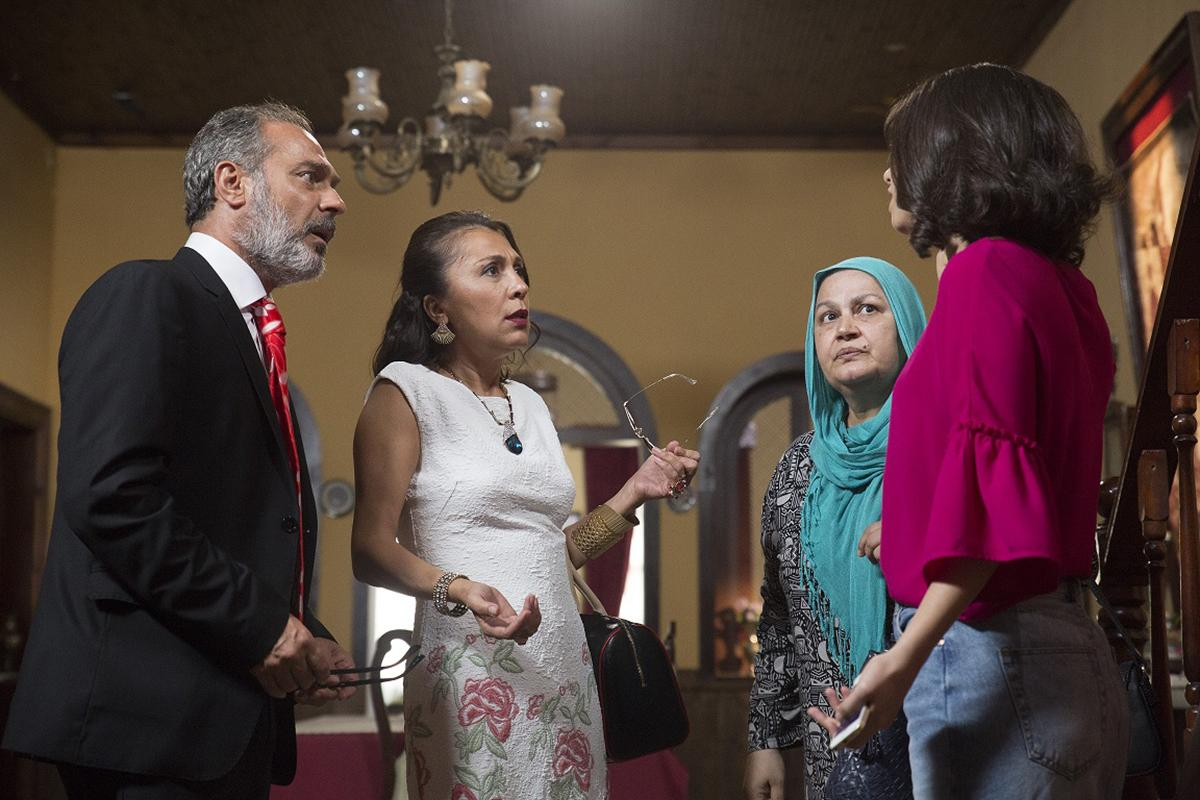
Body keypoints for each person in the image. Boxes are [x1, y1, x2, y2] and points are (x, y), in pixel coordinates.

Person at [2, 102, 356, 799]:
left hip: (221, 720)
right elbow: (114, 498)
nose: (335, 201)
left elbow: (226, 523)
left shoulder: (252, 335)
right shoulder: (146, 292)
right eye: (311, 176)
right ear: (232, 183)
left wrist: (300, 636)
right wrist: (262, 628)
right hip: (145, 724)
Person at [809, 64, 1129, 798]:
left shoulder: (984, 271)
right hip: (1061, 650)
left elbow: (992, 509)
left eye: (902, 153)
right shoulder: (1061, 285)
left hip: (991, 655)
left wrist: (903, 659)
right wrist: (913, 529)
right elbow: (1027, 469)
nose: (887, 175)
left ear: (951, 156)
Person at [352, 210, 700, 800]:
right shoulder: (405, 391)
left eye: (519, 269)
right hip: (469, 674)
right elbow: (369, 550)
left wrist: (634, 491)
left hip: (563, 667)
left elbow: (553, 554)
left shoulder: (531, 405)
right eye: (492, 270)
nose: (518, 285)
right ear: (437, 307)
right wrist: (462, 589)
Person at [746, 257, 922, 800]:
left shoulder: (942, 448)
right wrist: (765, 741)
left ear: (907, 327)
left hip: (938, 739)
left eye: (867, 310)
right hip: (834, 756)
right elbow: (779, 616)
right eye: (827, 317)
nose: (845, 328)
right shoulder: (796, 469)